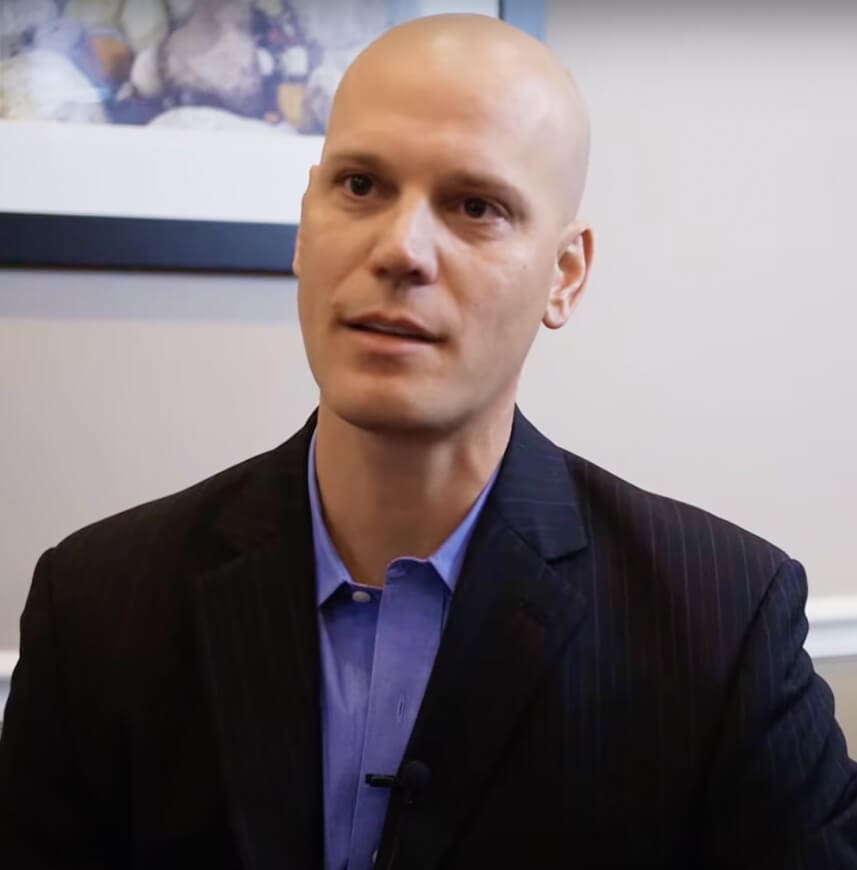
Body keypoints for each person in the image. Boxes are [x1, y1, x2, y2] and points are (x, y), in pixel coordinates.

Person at [1, 12, 855, 870]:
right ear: (304, 226)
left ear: (565, 275)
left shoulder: (722, 620)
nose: (400, 249)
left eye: (474, 205)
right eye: (361, 187)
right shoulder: (98, 602)